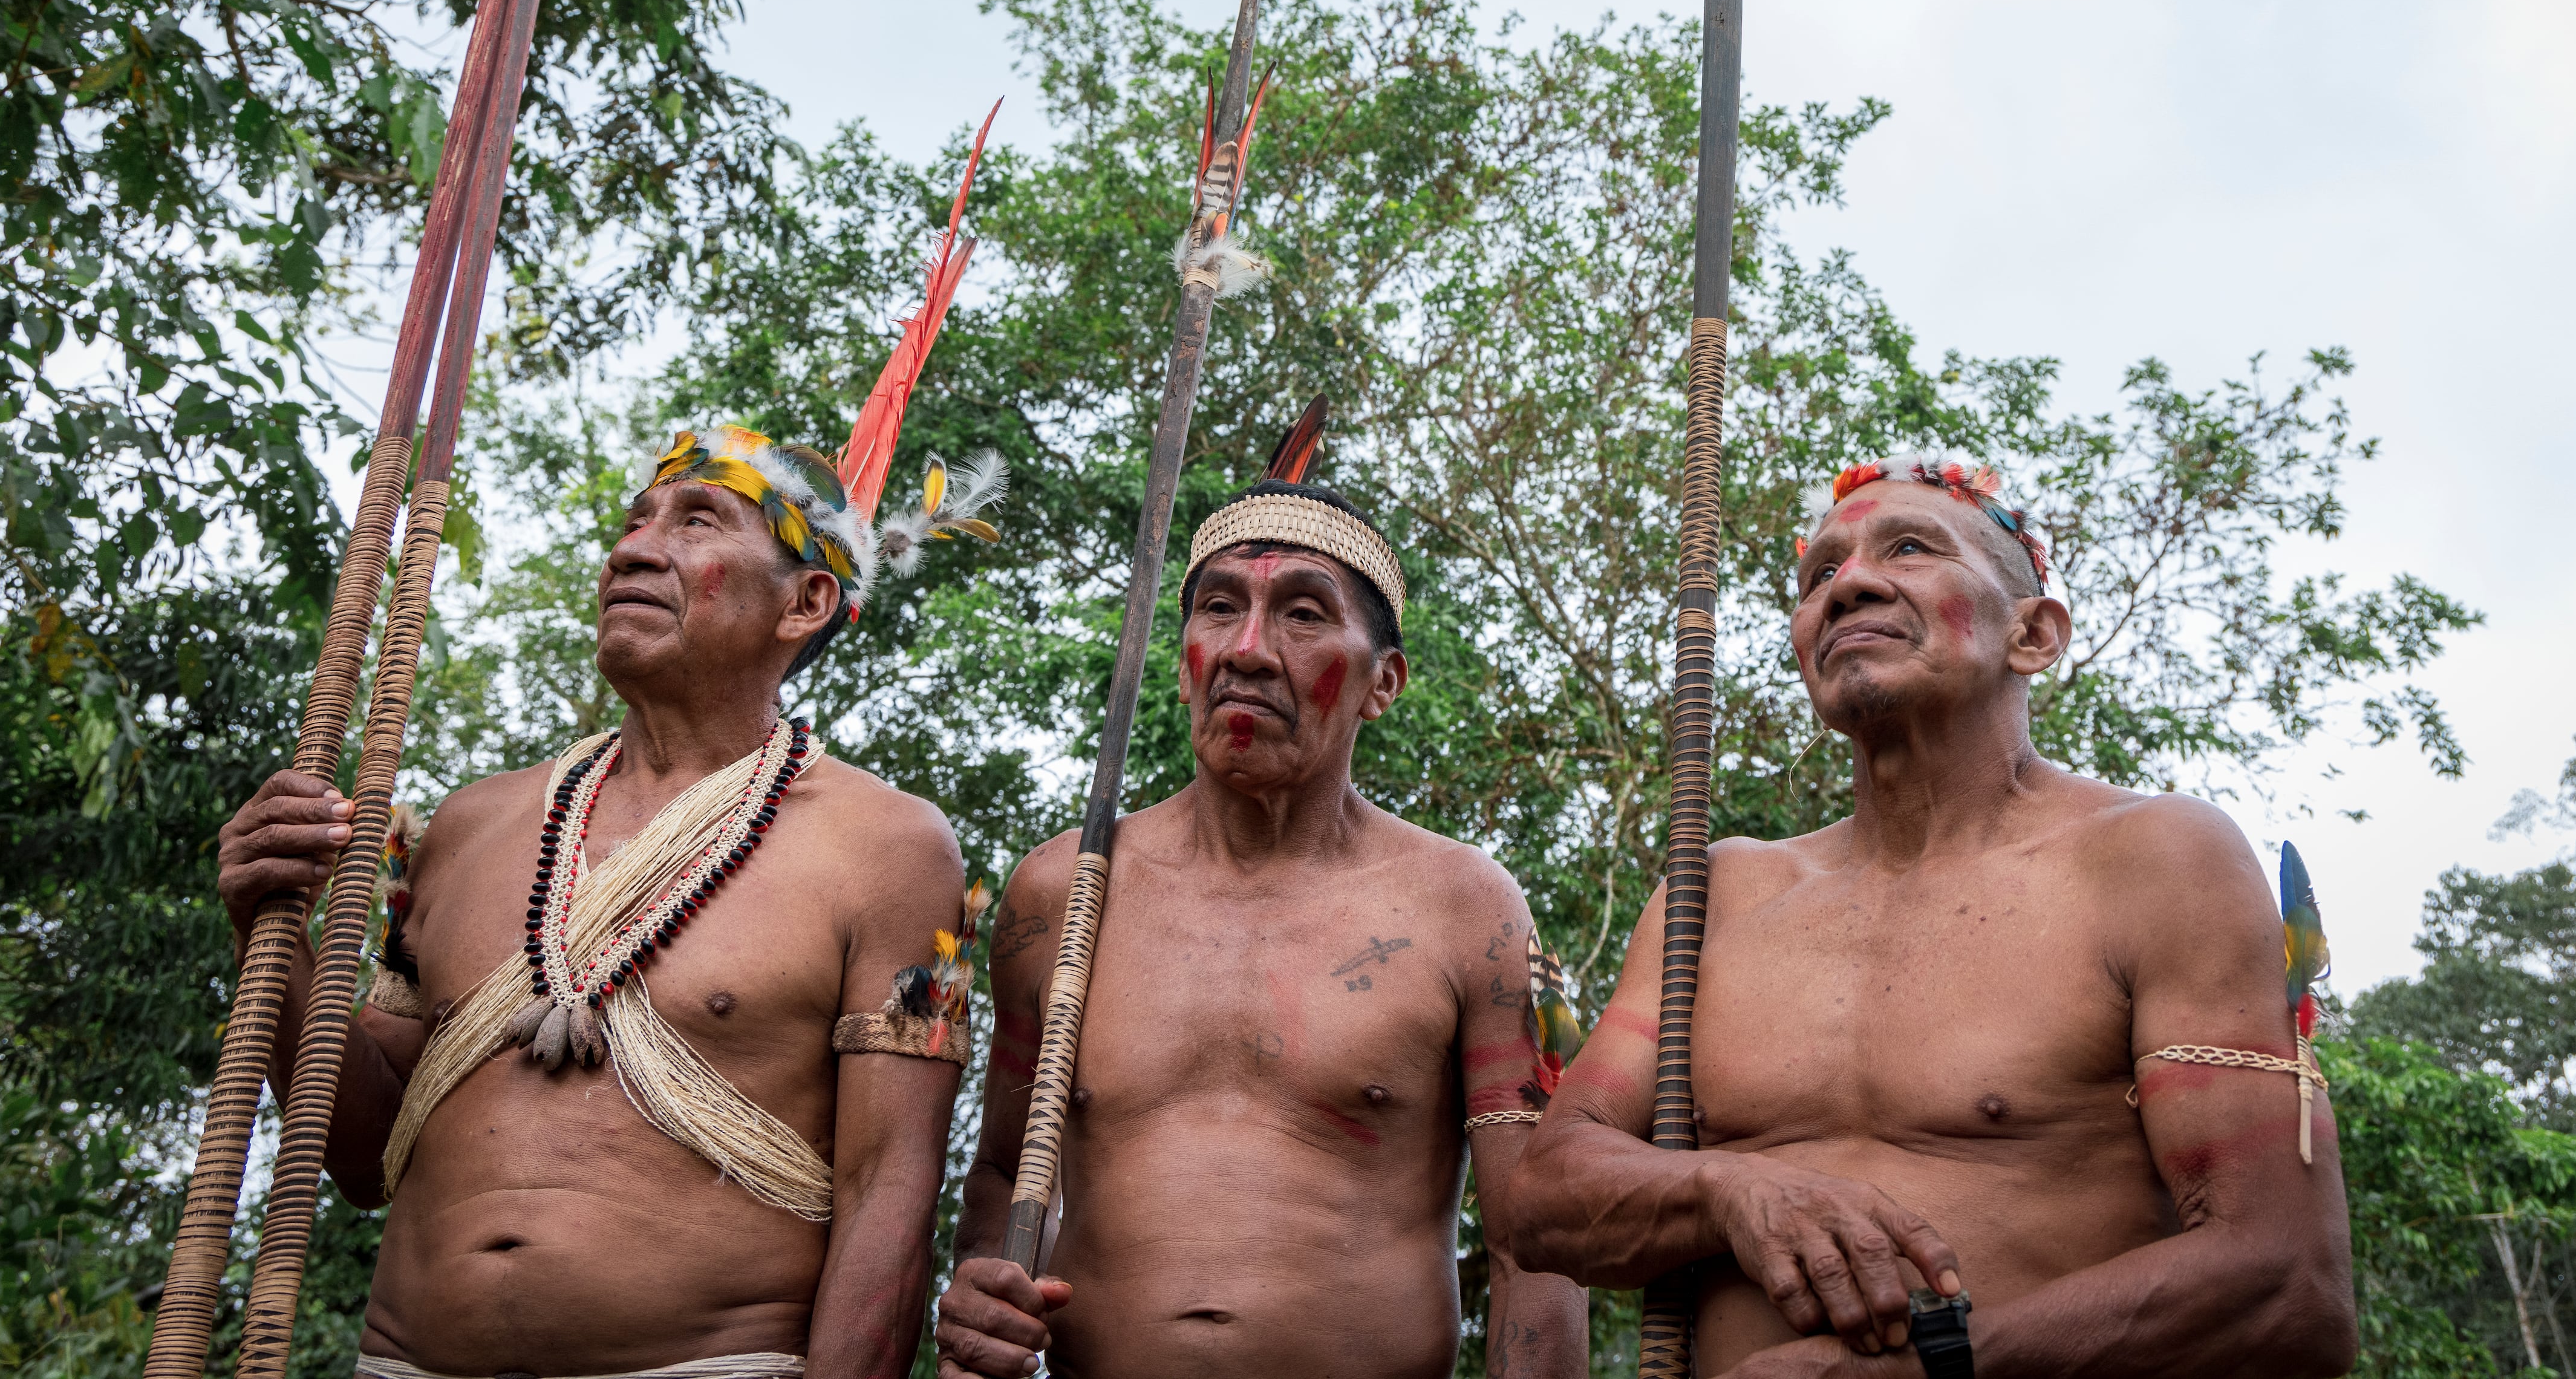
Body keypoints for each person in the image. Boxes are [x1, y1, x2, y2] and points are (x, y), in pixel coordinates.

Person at [215, 125, 1008, 1379]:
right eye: (633, 522)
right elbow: (363, 1156)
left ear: (805, 606)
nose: (634, 548)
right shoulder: (467, 827)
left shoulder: (896, 856)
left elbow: (889, 1195)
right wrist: (278, 932)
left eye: (696, 521)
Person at [1507, 455, 2359, 1379]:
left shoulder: (2154, 860)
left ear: (2032, 634)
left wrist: (1921, 1368)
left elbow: (2289, 1285)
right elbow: (1543, 1198)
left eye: (1908, 549)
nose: (1848, 587)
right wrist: (1730, 1190)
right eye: (1818, 575)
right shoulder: (1718, 895)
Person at [933, 403, 1591, 1379]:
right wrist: (984, 1290)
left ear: (1384, 683)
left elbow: (1537, 1243)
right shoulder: (1063, 891)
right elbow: (998, 1174)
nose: (1247, 649)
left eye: (1303, 614)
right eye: (1218, 607)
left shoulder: (1468, 908)